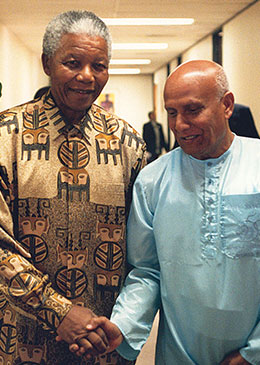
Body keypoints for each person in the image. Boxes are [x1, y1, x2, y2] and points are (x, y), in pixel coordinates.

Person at [76, 60, 260, 364]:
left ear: (227, 105)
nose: (179, 125)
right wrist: (123, 325)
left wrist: (253, 352)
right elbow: (147, 271)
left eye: (192, 110)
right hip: (179, 354)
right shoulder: (153, 181)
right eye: (171, 113)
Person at [0, 10, 145, 365]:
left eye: (99, 65)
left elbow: (145, 254)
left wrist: (122, 325)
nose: (87, 76)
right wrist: (58, 312)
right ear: (47, 62)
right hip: (21, 339)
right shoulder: (7, 136)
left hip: (103, 341)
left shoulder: (128, 143)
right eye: (73, 62)